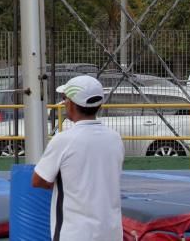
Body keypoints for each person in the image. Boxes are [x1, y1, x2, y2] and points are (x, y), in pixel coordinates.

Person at [32, 74, 123, 241]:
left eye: (64, 98)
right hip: (111, 232)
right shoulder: (114, 138)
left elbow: (39, 180)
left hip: (75, 233)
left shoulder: (63, 140)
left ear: (71, 104)